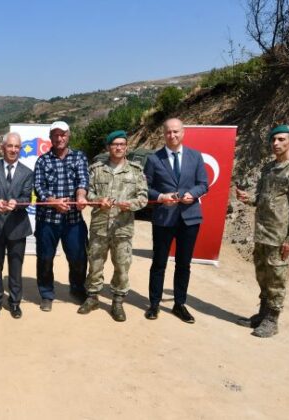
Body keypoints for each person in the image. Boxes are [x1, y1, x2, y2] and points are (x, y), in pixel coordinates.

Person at [236, 124, 289, 338]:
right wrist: (247, 198)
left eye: (281, 139)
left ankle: (272, 319)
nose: (276, 144)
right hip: (262, 232)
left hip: (279, 235)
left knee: (276, 277)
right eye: (273, 140)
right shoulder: (268, 168)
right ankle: (262, 313)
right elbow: (262, 198)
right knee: (262, 274)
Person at [77, 130, 148, 321]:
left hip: (122, 228)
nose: (118, 147)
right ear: (108, 147)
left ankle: (117, 301)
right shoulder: (96, 169)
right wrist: (99, 200)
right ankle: (92, 297)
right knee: (95, 263)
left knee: (122, 266)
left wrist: (130, 205)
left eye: (122, 144)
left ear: (126, 147)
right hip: (99, 227)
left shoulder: (136, 170)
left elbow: (143, 198)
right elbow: (88, 194)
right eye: (114, 144)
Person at [143, 118, 208, 323]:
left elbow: (203, 184)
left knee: (183, 264)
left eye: (176, 132)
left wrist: (193, 194)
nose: (172, 135)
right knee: (159, 263)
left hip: (189, 218)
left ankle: (180, 304)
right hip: (164, 218)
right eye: (168, 132)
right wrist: (161, 197)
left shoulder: (195, 156)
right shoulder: (154, 159)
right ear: (164, 134)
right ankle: (154, 303)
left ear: (183, 132)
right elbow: (146, 188)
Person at [33, 120, 89, 311]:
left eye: (63, 134)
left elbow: (83, 181)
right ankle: (47, 294)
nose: (60, 138)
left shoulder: (79, 157)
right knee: (45, 259)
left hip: (74, 220)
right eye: (56, 135)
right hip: (47, 220)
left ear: (69, 135)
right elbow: (39, 187)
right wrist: (53, 202)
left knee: (78, 258)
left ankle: (77, 288)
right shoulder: (42, 160)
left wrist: (81, 196)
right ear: (50, 137)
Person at [0, 132, 34, 319]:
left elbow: (27, 198)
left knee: (16, 267)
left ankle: (14, 303)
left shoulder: (27, 173)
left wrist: (17, 203)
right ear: (2, 148)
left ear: (20, 149)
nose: (13, 150)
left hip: (17, 227)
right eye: (10, 146)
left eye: (16, 147)